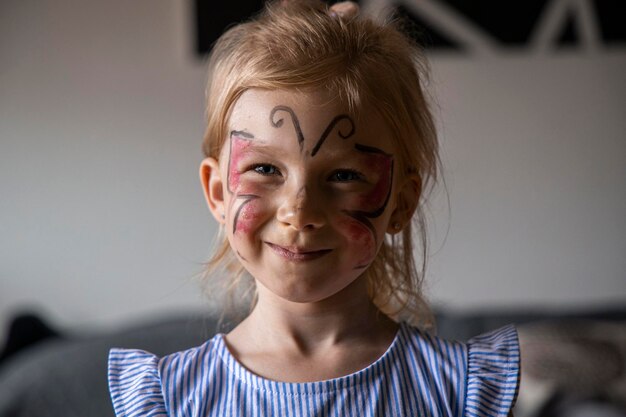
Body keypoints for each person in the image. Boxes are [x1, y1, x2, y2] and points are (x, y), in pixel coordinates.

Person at [108, 1, 520, 416]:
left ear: (401, 201)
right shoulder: (171, 398)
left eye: (344, 176)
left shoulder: (459, 390)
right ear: (217, 192)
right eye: (265, 168)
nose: (300, 211)